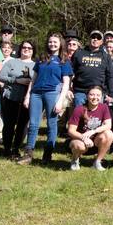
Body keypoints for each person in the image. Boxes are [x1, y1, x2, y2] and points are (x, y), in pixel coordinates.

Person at [20, 34, 73, 165]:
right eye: (50, 42)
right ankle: (28, 153)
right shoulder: (41, 58)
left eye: (55, 42)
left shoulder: (64, 60)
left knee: (52, 124)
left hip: (52, 93)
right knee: (33, 124)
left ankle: (47, 154)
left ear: (60, 44)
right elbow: (33, 79)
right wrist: (28, 95)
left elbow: (66, 83)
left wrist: (60, 101)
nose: (52, 44)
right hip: (36, 94)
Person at [0, 39, 35, 159]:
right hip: (10, 97)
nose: (26, 50)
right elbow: (1, 77)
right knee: (9, 124)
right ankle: (7, 148)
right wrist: (16, 80)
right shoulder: (12, 62)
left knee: (23, 126)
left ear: (33, 51)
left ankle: (16, 148)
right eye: (24, 47)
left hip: (27, 100)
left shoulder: (36, 65)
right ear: (20, 49)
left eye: (29, 48)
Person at [67, 85, 113, 170]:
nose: (95, 97)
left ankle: (97, 162)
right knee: (79, 146)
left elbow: (108, 125)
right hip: (80, 141)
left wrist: (93, 131)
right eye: (92, 94)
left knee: (109, 134)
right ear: (87, 96)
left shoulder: (104, 107)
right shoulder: (79, 109)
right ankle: (75, 160)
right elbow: (71, 131)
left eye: (98, 95)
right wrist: (83, 138)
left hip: (96, 142)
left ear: (101, 96)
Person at [71, 30, 113, 107]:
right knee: (80, 115)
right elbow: (70, 72)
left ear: (102, 41)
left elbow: (110, 76)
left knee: (96, 117)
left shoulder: (106, 56)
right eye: (93, 37)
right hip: (80, 91)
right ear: (89, 39)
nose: (95, 39)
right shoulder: (79, 53)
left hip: (98, 92)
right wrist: (69, 88)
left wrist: (111, 94)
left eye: (98, 38)